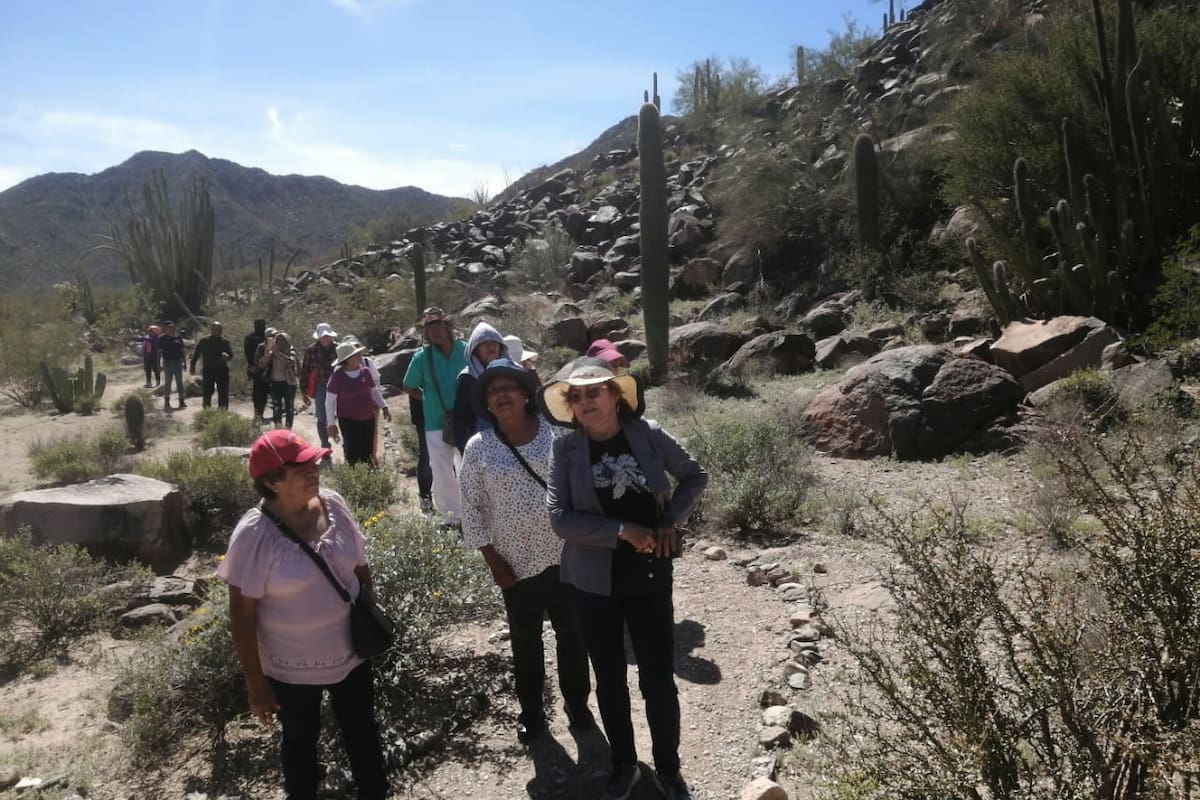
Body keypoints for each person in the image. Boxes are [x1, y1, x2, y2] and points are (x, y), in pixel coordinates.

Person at [543, 360, 707, 800]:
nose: (584, 402)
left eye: (593, 392)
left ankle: (669, 769)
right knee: (609, 676)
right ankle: (624, 763)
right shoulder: (565, 450)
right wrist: (621, 531)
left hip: (650, 572)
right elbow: (560, 519)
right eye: (575, 396)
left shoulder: (648, 435)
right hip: (593, 581)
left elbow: (695, 475)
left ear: (616, 395)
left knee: (656, 676)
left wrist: (671, 521)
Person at [217, 429, 388, 800]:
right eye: (301, 467)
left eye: (314, 462)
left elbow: (360, 565)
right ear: (272, 482)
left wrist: (370, 614)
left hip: (353, 655)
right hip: (292, 670)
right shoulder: (253, 536)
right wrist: (256, 685)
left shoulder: (333, 504)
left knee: (363, 732)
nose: (315, 469)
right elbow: (242, 616)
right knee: (299, 744)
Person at [459, 359, 594, 745]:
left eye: (508, 388)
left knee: (572, 633)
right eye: (492, 391)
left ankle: (577, 703)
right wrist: (492, 560)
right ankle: (532, 713)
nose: (500, 395)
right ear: (486, 404)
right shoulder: (478, 448)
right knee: (525, 639)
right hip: (514, 563)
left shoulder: (556, 434)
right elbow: (470, 507)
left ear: (524, 395)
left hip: (566, 554)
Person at [401, 307, 468, 523]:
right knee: (441, 470)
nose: (435, 332)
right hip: (435, 422)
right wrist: (428, 399)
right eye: (429, 329)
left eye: (438, 326)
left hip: (466, 419)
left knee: (469, 466)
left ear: (448, 326)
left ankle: (473, 511)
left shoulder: (466, 350)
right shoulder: (422, 358)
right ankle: (451, 516)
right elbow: (408, 386)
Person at [326, 341, 392, 467]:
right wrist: (331, 424)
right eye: (356, 355)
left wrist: (384, 406)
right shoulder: (337, 376)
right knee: (353, 450)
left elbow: (374, 391)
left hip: (368, 417)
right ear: (347, 360)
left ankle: (368, 476)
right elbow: (330, 401)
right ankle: (355, 477)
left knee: (367, 449)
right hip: (348, 420)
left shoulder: (365, 372)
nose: (360, 357)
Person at [452, 321, 508, 453]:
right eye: (484, 344)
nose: (490, 347)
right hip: (482, 447)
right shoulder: (467, 378)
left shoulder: (510, 374)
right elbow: (460, 421)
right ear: (475, 350)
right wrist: (466, 452)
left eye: (494, 342)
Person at [301, 322, 340, 461]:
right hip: (321, 386)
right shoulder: (311, 350)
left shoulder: (338, 349)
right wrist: (303, 391)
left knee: (341, 414)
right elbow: (305, 370)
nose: (326, 339)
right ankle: (325, 446)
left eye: (328, 336)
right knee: (322, 417)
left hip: (339, 386)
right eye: (323, 337)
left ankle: (340, 438)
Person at [260, 331, 301, 429]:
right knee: (276, 406)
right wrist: (268, 353)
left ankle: (288, 429)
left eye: (283, 341)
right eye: (278, 341)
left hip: (289, 383)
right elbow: (263, 365)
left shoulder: (292, 351)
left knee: (289, 407)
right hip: (275, 383)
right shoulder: (272, 353)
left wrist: (278, 354)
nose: (280, 343)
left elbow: (291, 362)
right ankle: (278, 428)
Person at [190, 321, 234, 409]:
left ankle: (223, 410)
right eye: (214, 328)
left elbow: (231, 355)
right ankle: (207, 410)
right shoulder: (204, 341)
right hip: (208, 370)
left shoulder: (225, 342)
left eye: (218, 329)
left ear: (221, 330)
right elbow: (196, 354)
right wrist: (192, 366)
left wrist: (227, 356)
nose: (216, 330)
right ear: (211, 330)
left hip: (222, 370)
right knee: (207, 392)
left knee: (223, 392)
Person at [245, 320, 271, 423]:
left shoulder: (268, 338)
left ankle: (261, 413)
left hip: (267, 368)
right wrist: (251, 365)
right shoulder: (250, 338)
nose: (261, 327)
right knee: (258, 392)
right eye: (259, 325)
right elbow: (247, 352)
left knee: (263, 391)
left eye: (262, 325)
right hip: (255, 368)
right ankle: (257, 413)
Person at [158, 320, 188, 410]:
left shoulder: (178, 338)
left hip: (177, 362)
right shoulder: (162, 339)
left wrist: (184, 362)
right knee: (168, 383)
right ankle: (167, 402)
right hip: (167, 362)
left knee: (180, 383)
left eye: (173, 328)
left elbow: (182, 351)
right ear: (166, 329)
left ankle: (181, 401)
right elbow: (159, 352)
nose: (171, 329)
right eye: (169, 328)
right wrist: (158, 364)